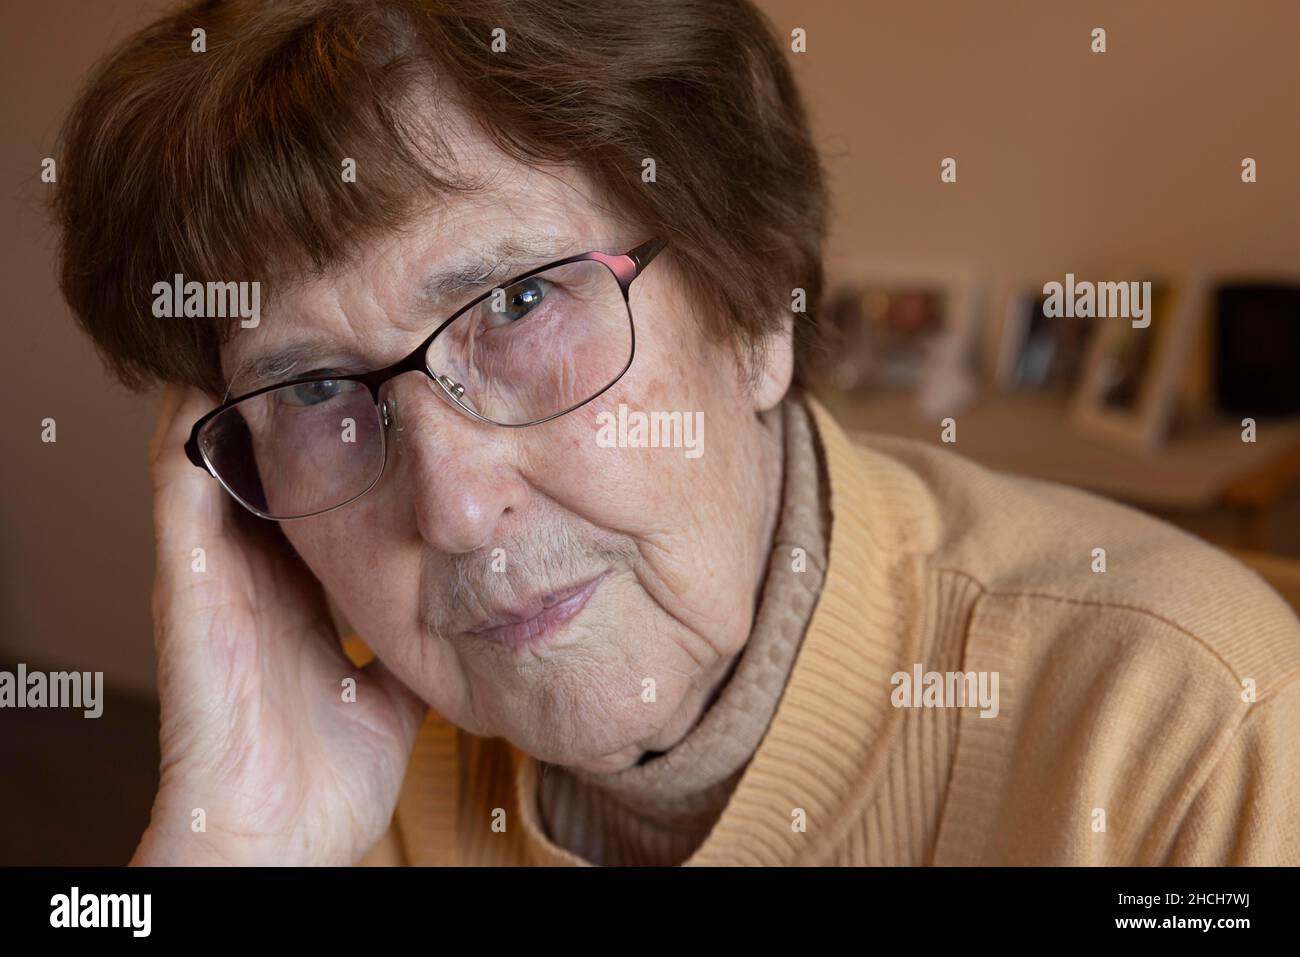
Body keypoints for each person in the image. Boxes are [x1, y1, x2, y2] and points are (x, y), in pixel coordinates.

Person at [53, 0, 1300, 866]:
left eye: (519, 302)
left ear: (754, 300)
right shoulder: (338, 777)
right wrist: (233, 847)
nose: (451, 508)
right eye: (316, 392)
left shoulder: (1181, 735)